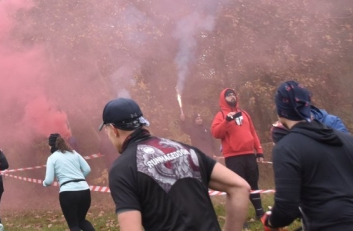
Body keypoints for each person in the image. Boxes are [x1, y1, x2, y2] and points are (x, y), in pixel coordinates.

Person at [100, 97, 251, 231]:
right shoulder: (184, 149)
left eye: (106, 131)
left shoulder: (121, 169)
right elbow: (240, 187)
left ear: (113, 129)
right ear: (141, 123)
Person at [261, 81, 353, 231]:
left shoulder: (286, 148)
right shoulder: (347, 140)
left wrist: (270, 221)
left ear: (280, 111)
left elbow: (286, 210)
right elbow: (328, 193)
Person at [211, 88, 265, 223]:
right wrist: (226, 121)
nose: (231, 97)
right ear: (223, 99)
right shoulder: (221, 115)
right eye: (228, 95)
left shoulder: (245, 113)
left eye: (233, 94)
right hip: (233, 157)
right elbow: (216, 133)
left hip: (249, 155)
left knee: (253, 183)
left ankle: (260, 213)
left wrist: (259, 151)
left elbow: (253, 132)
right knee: (238, 187)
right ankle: (242, 220)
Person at [43, 133, 95, 231]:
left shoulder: (52, 158)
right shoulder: (74, 153)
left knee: (74, 225)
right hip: (84, 190)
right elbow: (87, 169)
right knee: (82, 220)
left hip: (68, 193)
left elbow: (49, 181)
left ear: (51, 145)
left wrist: (44, 183)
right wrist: (78, 178)